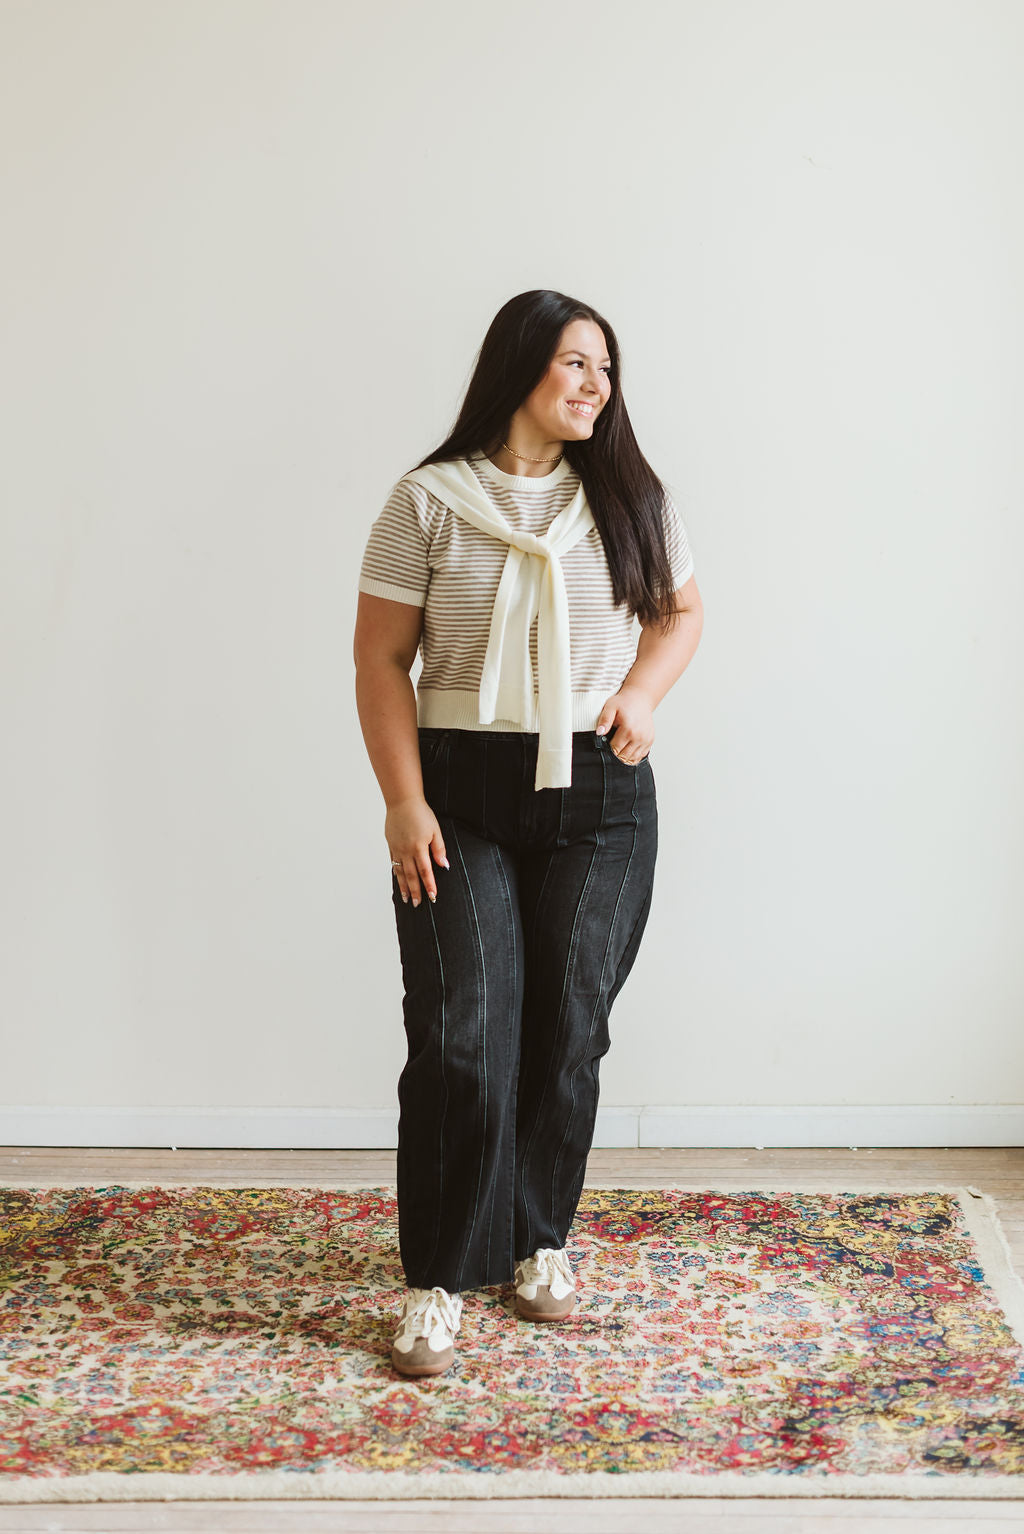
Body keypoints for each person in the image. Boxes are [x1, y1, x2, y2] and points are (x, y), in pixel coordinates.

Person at [353, 289, 704, 1377]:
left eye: (606, 367)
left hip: (600, 791)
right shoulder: (428, 500)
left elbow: (682, 612)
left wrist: (642, 693)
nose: (596, 384)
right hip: (458, 791)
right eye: (574, 362)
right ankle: (437, 1280)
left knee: (568, 1025)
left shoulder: (632, 496)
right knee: (462, 1029)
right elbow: (380, 659)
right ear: (519, 367)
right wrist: (403, 800)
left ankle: (537, 1239)